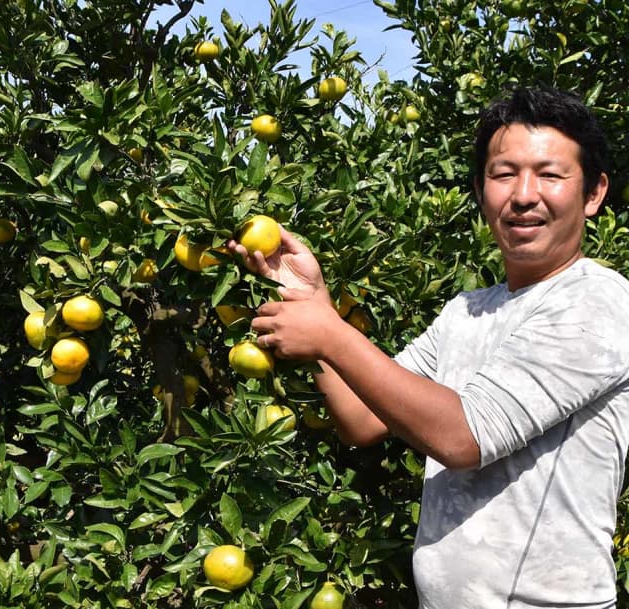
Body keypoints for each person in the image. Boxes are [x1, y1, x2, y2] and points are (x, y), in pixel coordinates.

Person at [230, 87, 629, 608]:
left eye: (550, 174)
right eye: (504, 173)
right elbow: (362, 420)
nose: (524, 194)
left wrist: (330, 333)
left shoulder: (599, 302)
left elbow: (463, 438)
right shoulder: (467, 310)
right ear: (482, 190)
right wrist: (312, 302)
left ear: (593, 194)